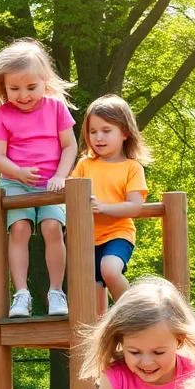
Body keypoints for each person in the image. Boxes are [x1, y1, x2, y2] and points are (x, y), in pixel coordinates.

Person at [0, 39, 78, 319]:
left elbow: (70, 146)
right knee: (19, 229)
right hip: (15, 182)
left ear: (44, 81)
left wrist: (59, 175)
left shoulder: (56, 108)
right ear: (3, 87)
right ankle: (21, 294)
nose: (23, 95)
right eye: (14, 89)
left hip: (51, 183)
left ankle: (56, 291)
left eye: (31, 87)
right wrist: (18, 172)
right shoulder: (3, 114)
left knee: (52, 228)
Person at [67, 94, 151, 301]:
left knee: (110, 270)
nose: (98, 138)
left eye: (106, 131)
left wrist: (103, 208)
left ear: (124, 132)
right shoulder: (85, 164)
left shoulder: (132, 167)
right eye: (93, 131)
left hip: (117, 233)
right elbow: (71, 194)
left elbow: (134, 207)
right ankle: (103, 330)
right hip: (86, 238)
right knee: (94, 290)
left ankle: (132, 308)